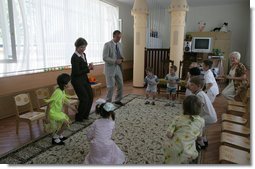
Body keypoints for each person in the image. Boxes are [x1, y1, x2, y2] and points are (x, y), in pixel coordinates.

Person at [164, 95, 205, 164]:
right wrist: (202, 144)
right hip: (188, 152)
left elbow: (168, 134)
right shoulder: (201, 121)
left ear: (184, 107)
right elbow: (199, 137)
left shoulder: (177, 118)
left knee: (170, 159)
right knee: (189, 158)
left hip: (172, 148)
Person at [45, 73, 76, 145]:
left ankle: (59, 135)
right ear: (65, 85)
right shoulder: (57, 92)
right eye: (69, 82)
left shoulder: (61, 90)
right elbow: (49, 104)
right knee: (66, 123)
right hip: (53, 112)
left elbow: (64, 100)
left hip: (57, 112)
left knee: (63, 123)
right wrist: (46, 117)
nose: (70, 83)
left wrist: (72, 108)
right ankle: (55, 138)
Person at [188, 76, 217, 148]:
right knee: (202, 129)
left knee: (196, 128)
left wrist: (193, 116)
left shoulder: (199, 95)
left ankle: (201, 144)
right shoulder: (201, 93)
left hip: (208, 117)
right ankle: (205, 141)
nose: (189, 86)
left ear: (199, 86)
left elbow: (199, 107)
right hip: (211, 116)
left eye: (192, 85)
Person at [71, 37, 94, 122]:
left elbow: (83, 68)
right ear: (76, 47)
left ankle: (85, 115)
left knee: (91, 96)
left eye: (84, 47)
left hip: (84, 79)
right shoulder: (74, 57)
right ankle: (79, 117)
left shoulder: (83, 55)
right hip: (77, 80)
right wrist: (88, 68)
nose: (83, 49)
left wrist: (89, 66)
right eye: (81, 47)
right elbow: (76, 72)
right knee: (84, 99)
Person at [103, 30, 124, 106]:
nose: (119, 38)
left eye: (120, 37)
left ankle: (118, 100)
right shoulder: (107, 44)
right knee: (111, 86)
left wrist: (121, 59)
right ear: (113, 36)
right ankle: (108, 103)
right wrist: (115, 61)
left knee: (120, 84)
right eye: (118, 37)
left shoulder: (120, 45)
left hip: (118, 68)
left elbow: (120, 54)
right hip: (110, 69)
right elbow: (105, 58)